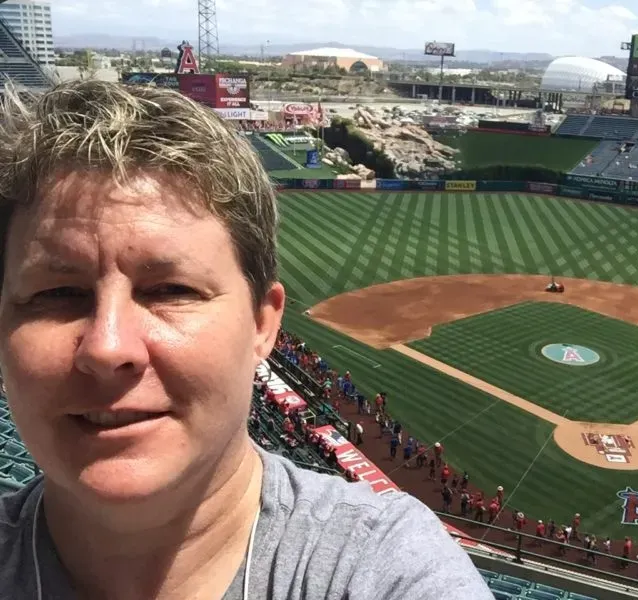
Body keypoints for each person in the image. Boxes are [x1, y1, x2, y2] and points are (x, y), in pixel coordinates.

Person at [0, 80, 493, 599]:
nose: (108, 347)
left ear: (262, 324)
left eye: (171, 290)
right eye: (57, 294)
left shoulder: (384, 563)